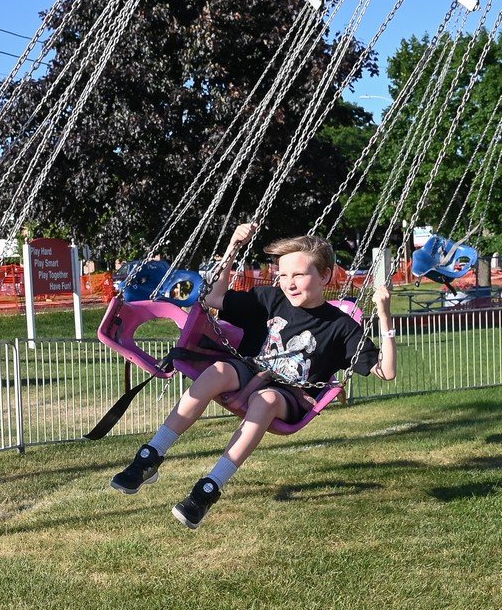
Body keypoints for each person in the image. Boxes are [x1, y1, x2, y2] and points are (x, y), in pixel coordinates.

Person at [111, 222, 397, 530]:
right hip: (251, 370)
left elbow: (386, 371)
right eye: (283, 275)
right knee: (218, 370)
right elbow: (213, 299)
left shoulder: (341, 326)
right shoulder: (270, 299)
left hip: (289, 393)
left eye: (299, 274)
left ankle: (208, 489)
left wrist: (384, 317)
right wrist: (233, 247)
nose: (290, 283)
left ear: (325, 275)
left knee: (266, 399)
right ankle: (151, 455)